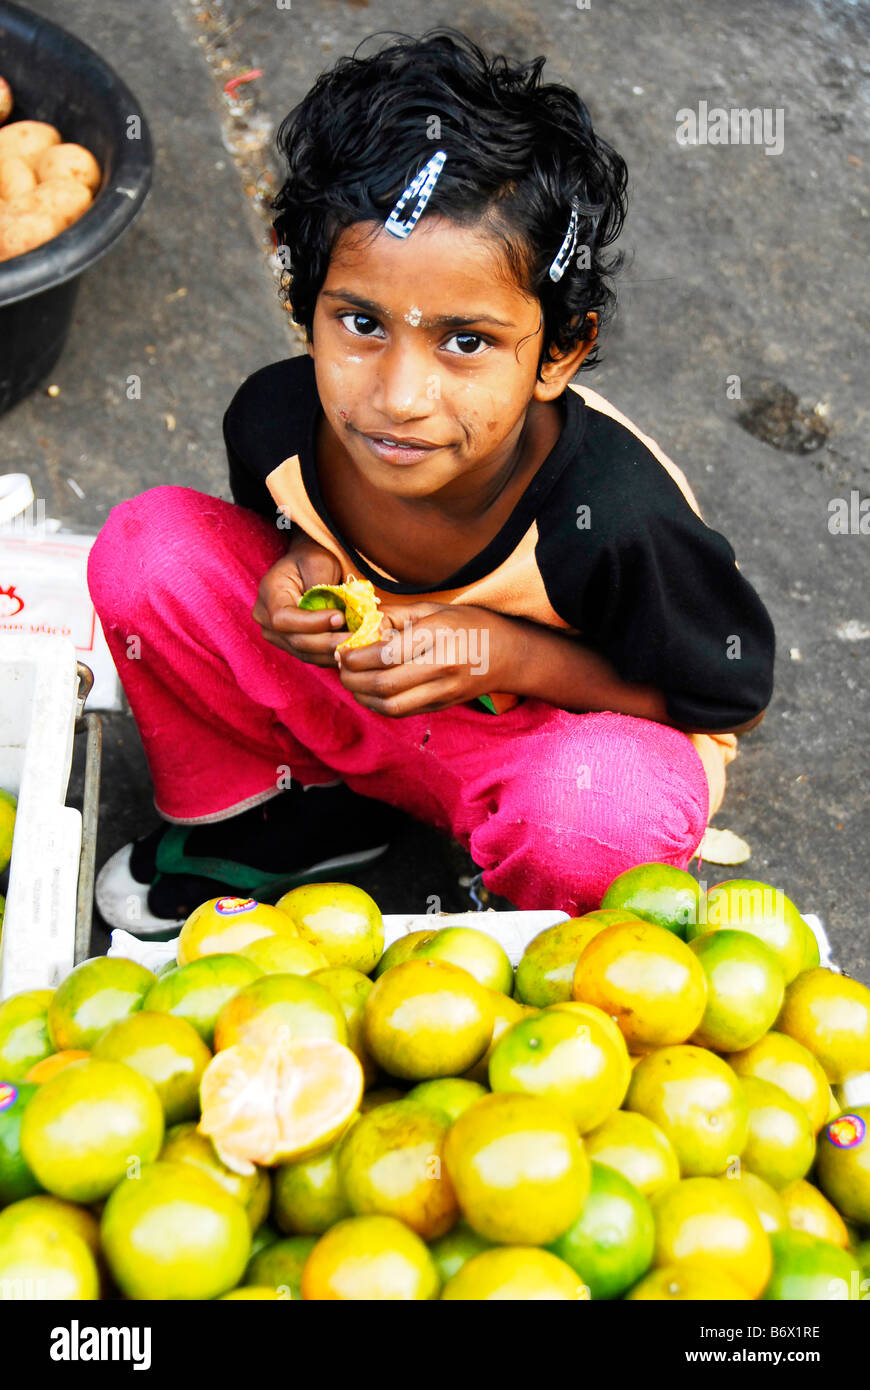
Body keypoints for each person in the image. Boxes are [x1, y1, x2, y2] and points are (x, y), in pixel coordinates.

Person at [89, 29, 775, 937]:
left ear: (558, 352)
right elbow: (285, 524)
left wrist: (508, 654)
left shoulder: (611, 517)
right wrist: (302, 565)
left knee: (593, 813)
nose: (399, 398)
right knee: (150, 551)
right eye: (361, 322)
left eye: (466, 341)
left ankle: (531, 921)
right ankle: (293, 813)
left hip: (538, 756)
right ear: (303, 307)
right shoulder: (275, 421)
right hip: (360, 704)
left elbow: (727, 695)